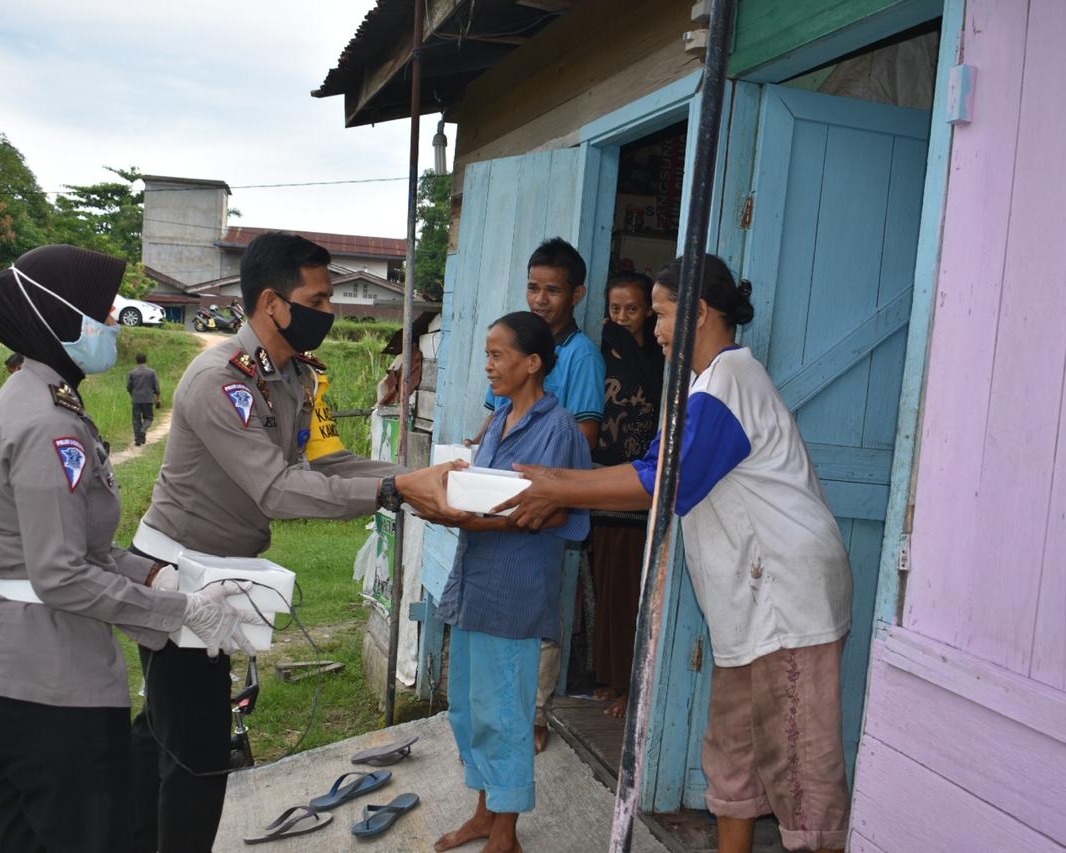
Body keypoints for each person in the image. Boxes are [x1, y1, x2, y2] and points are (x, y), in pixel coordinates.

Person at [499, 256, 853, 853]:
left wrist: (557, 485)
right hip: (750, 602)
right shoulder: (703, 385)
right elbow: (650, 470)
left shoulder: (728, 383)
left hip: (787, 600)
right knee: (732, 750)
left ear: (699, 313)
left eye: (661, 315)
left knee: (800, 765)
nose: (655, 329)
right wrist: (559, 481)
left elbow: (661, 482)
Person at [129, 231, 464, 853]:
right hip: (176, 576)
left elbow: (327, 464)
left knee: (166, 730)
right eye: (319, 297)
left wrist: (407, 478)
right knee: (199, 756)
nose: (330, 311)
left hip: (220, 572)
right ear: (272, 304)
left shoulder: (291, 377)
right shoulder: (221, 382)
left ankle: (126, 828)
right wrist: (399, 491)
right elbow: (279, 491)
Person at [0, 245, 256, 853]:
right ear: (59, 323)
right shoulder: (50, 426)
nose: (116, 322)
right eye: (102, 312)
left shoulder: (29, 397)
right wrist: (179, 612)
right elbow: (61, 573)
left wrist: (157, 577)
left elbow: (78, 543)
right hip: (54, 684)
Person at [434, 311, 590, 853]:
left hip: (514, 590)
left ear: (532, 363)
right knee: (471, 708)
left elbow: (540, 512)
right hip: (475, 585)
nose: (489, 366)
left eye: (499, 356)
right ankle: (483, 814)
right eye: (487, 354)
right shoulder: (498, 419)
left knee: (505, 711)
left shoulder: (559, 429)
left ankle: (506, 833)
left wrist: (459, 514)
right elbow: (483, 491)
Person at [474, 237, 606, 753]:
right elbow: (496, 413)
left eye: (553, 290)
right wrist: (480, 454)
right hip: (507, 489)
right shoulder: (515, 343)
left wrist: (549, 479)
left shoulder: (582, 357)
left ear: (577, 294)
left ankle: (535, 713)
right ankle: (500, 710)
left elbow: (586, 439)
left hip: (548, 493)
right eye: (533, 287)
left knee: (538, 609)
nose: (541, 299)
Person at [592, 272, 663, 717]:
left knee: (634, 590)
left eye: (632, 309)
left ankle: (631, 686)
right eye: (615, 309)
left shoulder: (658, 353)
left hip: (642, 484)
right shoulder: (601, 352)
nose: (621, 317)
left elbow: (655, 393)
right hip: (604, 478)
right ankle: (611, 678)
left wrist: (630, 345)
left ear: (649, 311)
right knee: (607, 588)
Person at [127, 352, 162, 446]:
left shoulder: (132, 373)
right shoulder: (151, 372)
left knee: (136, 419)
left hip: (136, 399)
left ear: (137, 361)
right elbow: (157, 388)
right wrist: (158, 399)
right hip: (148, 399)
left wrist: (133, 395)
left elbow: (129, 387)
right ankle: (143, 431)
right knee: (149, 418)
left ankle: (137, 439)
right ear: (146, 360)